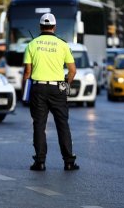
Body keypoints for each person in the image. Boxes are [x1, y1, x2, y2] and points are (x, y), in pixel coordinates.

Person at [23, 13, 79, 171]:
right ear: (54, 27)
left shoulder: (32, 44)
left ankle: (40, 162)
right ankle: (69, 161)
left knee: (39, 125)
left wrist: (25, 92)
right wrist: (64, 85)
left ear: (40, 27)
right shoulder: (62, 45)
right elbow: (72, 71)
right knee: (62, 125)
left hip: (38, 88)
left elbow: (27, 72)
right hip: (57, 88)